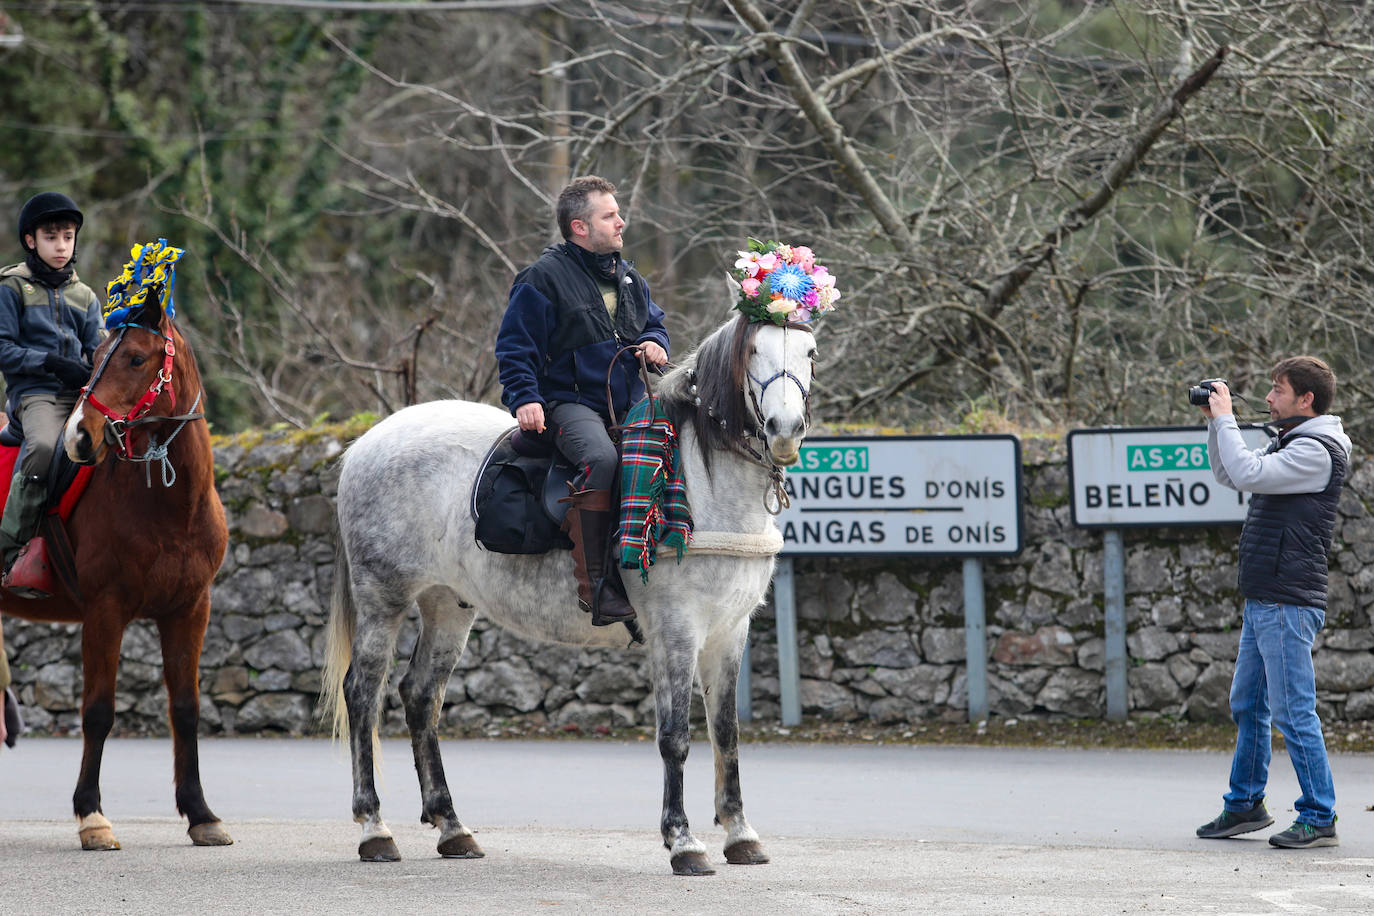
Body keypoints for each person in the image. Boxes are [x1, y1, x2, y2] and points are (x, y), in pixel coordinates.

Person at [495, 176, 670, 626]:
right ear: (579, 227)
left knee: (674, 443)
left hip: (629, 401)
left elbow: (654, 323)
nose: (621, 222)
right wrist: (525, 398)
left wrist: (654, 343)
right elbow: (515, 347)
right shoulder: (541, 278)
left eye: (618, 214)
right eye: (609, 216)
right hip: (568, 404)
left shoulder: (629, 278)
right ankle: (599, 586)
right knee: (601, 458)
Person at [1194, 357, 1350, 849]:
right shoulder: (1295, 441)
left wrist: (1226, 419)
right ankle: (1244, 805)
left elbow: (1244, 469)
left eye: (1277, 390)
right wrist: (1215, 425)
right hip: (1266, 595)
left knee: (1292, 711)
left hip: (1287, 600)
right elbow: (1230, 473)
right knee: (1249, 704)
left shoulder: (1318, 451)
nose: (1267, 397)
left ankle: (1319, 815)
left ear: (1306, 399)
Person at [0, 192, 103, 596]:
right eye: (51, 237)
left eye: (68, 237)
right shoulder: (11, 287)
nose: (61, 246)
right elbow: (2, 347)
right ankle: (9, 548)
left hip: (80, 395)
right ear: (31, 241)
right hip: (35, 395)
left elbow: (97, 350)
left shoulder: (87, 297)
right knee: (44, 446)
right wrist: (51, 363)